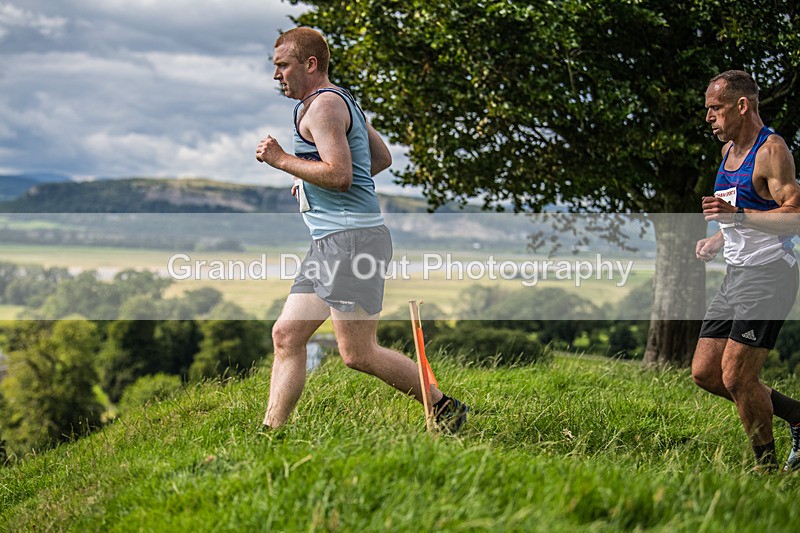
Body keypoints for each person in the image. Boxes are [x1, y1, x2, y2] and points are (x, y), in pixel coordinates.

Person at [255, 27, 468, 432]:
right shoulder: (339, 99)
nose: (276, 75)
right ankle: (271, 434)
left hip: (352, 242)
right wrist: (311, 177)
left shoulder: (323, 107)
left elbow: (340, 176)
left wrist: (283, 160)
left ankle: (445, 408)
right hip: (330, 243)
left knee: (358, 354)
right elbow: (381, 158)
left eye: (283, 65)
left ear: (310, 64)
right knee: (286, 335)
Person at [693, 70, 800, 471]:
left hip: (771, 274)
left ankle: (766, 471)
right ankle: (797, 415)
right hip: (737, 274)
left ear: (742, 106)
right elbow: (742, 217)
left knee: (738, 377)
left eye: (715, 108)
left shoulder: (771, 150)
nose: (709, 118)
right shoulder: (726, 154)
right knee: (705, 373)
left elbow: (794, 216)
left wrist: (736, 216)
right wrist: (718, 239)